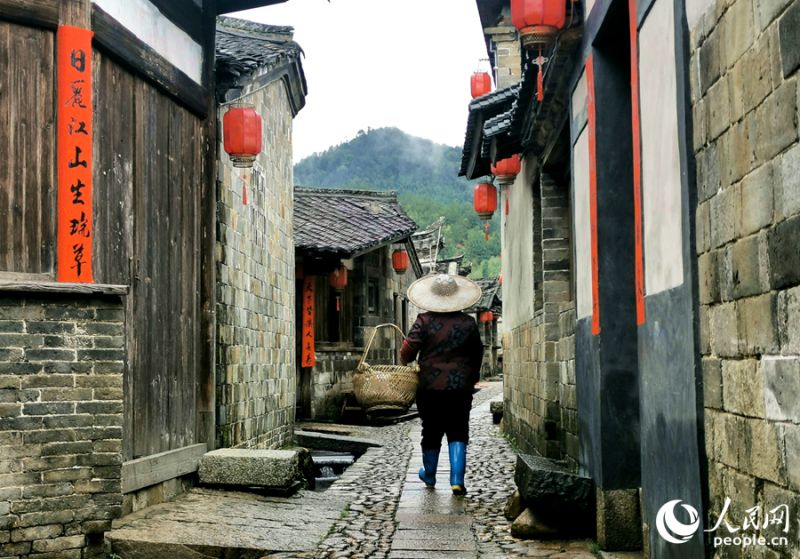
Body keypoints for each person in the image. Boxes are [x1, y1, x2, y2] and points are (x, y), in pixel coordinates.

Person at [400, 273, 484, 496]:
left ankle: (429, 474)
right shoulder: (468, 324)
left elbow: (407, 353)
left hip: (430, 388)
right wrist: (471, 378)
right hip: (460, 388)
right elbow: (477, 354)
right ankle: (457, 480)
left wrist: (407, 355)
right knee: (458, 430)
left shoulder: (423, 321)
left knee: (431, 430)